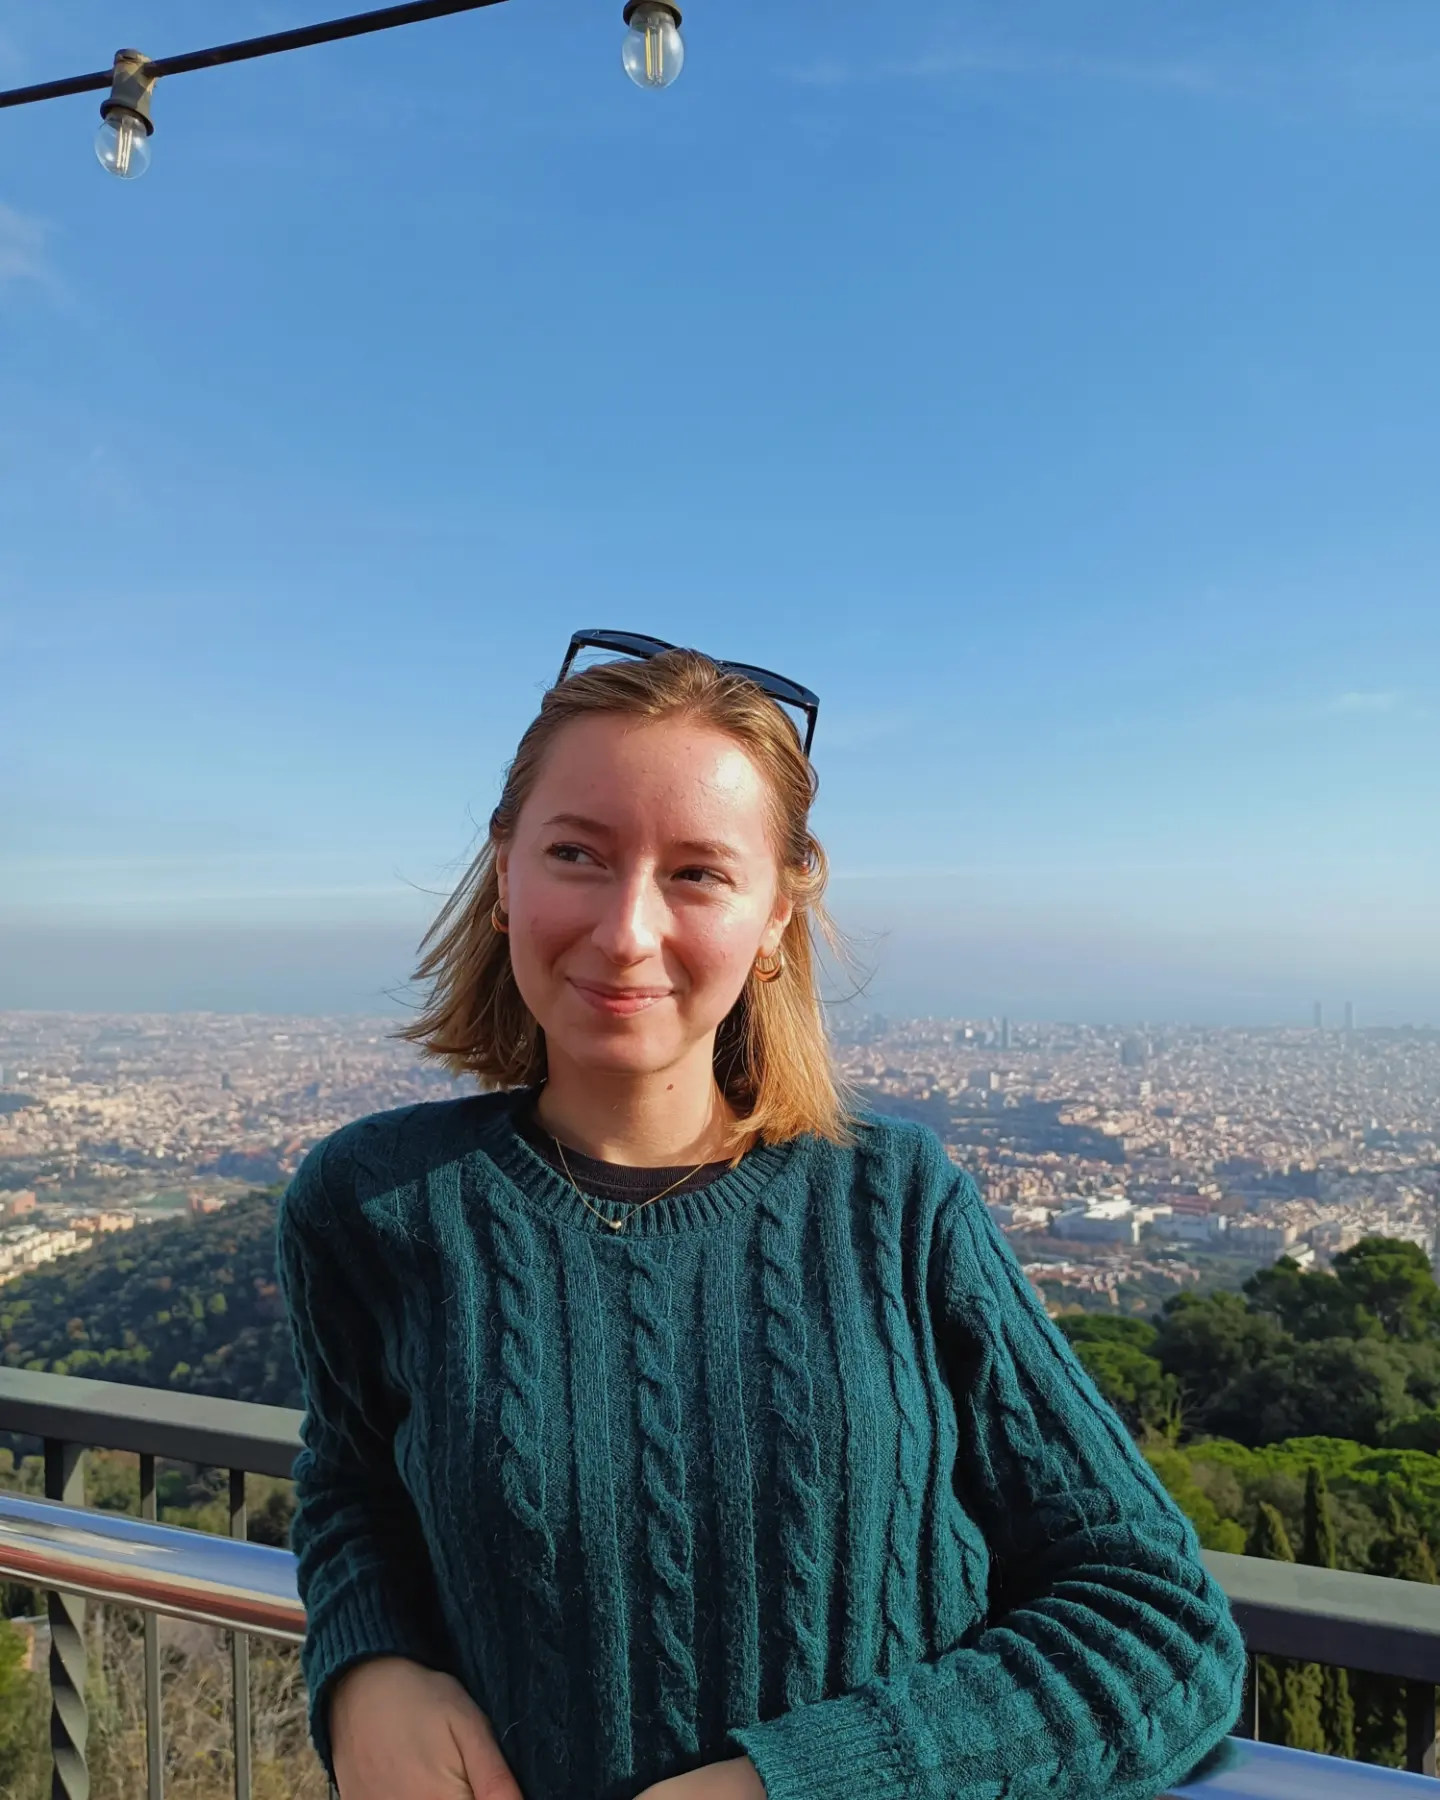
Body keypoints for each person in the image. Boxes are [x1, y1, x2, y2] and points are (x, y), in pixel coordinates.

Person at [276, 637, 1245, 1800]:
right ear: (503, 874)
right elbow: (355, 1488)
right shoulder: (371, 1201)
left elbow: (1161, 1627)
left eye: (697, 873)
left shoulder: (894, 1202)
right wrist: (368, 1664)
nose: (626, 931)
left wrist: (794, 1786)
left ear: (777, 914)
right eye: (576, 853)